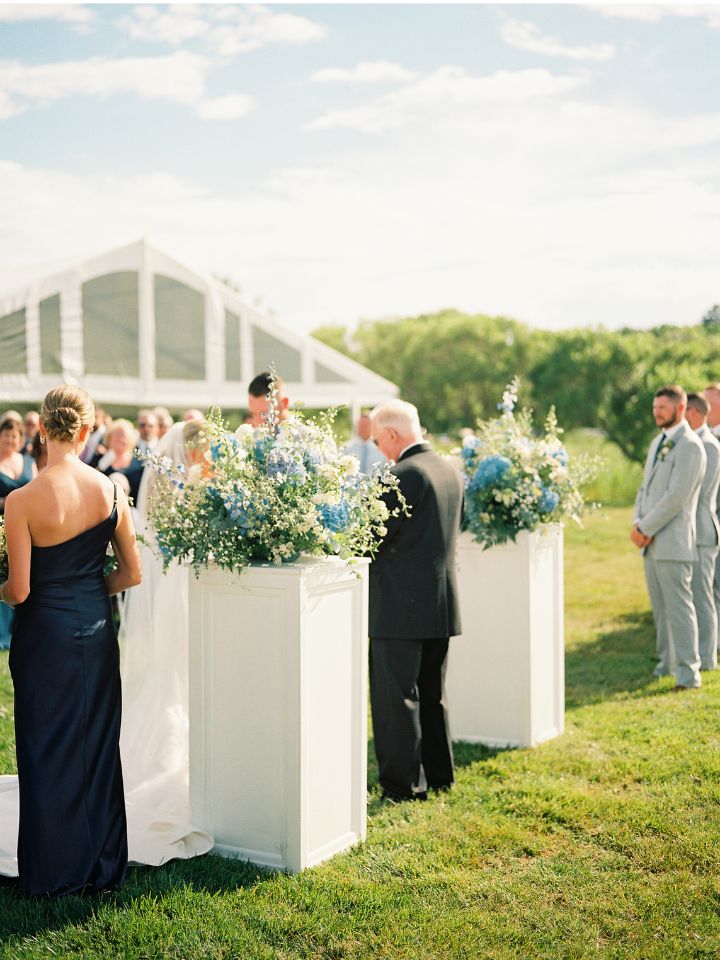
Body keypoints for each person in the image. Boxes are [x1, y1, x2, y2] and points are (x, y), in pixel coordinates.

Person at [0, 384, 141, 896]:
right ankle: (102, 868)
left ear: (41, 428)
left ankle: (54, 872)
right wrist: (88, 590)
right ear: (85, 431)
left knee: (44, 747)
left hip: (44, 638)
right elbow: (131, 574)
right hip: (98, 632)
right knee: (98, 745)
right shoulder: (110, 492)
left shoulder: (22, 500)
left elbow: (19, 590)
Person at [117, 419, 213, 866]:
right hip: (183, 582)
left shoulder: (165, 481)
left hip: (170, 577)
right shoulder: (190, 482)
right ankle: (179, 741)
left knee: (172, 663)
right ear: (194, 449)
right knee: (181, 661)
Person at [368, 399, 464, 801]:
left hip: (398, 606)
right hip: (440, 601)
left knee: (397, 698)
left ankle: (402, 786)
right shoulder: (450, 470)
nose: (378, 449)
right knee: (432, 692)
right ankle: (440, 775)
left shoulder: (401, 475)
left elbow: (369, 538)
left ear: (392, 434)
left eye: (377, 441)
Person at [632, 385, 706, 690]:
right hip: (650, 542)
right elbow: (644, 490)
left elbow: (677, 498)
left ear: (680, 408)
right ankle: (666, 665)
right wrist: (638, 523)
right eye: (654, 407)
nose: (656, 412)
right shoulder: (655, 443)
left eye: (662, 407)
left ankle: (689, 675)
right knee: (660, 611)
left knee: (679, 609)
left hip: (673, 541)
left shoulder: (690, 446)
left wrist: (645, 528)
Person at [685, 393, 720, 670]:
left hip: (703, 532)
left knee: (703, 595)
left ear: (694, 413)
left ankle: (708, 657)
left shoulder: (708, 445)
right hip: (688, 532)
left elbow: (698, 493)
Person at [0, 417, 37, 650]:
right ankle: (2, 632)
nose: (10, 439)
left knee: (22, 573)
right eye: (6, 435)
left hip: (26, 527)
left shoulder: (28, 461)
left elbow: (35, 489)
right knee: (2, 572)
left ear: (21, 439)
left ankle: (21, 628)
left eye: (14, 435)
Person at [97, 419, 144, 505]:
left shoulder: (138, 463)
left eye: (124, 436)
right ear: (109, 438)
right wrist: (101, 465)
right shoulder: (100, 459)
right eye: (117, 435)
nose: (121, 439)